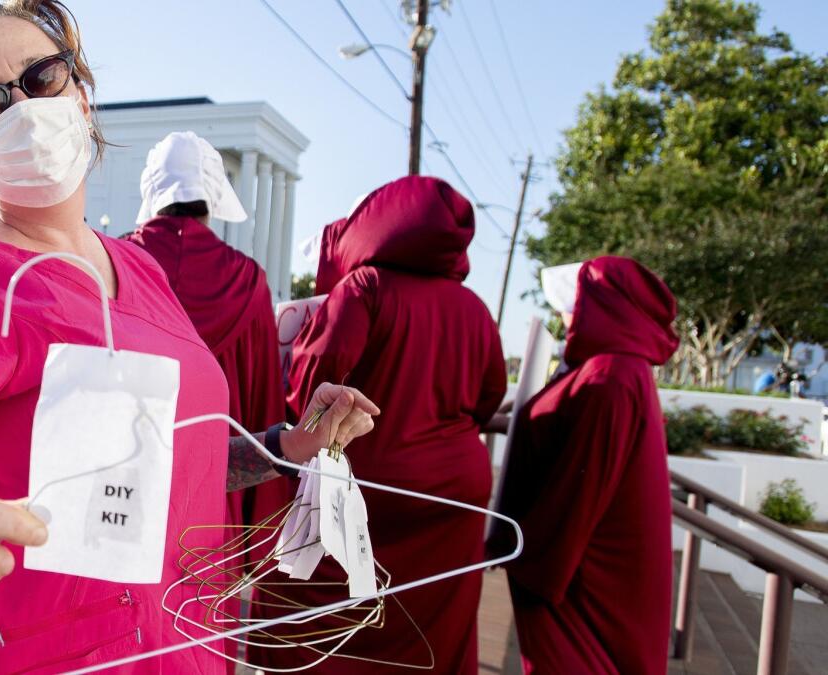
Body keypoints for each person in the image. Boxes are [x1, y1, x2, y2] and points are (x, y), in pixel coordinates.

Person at [0, 3, 379, 673]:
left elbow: (164, 459)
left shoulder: (143, 271)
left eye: (41, 78)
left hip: (178, 642)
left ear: (82, 96)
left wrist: (290, 446)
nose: (21, 108)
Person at [252, 176, 507, 673]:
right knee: (431, 623)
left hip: (373, 483)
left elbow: (314, 390)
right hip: (453, 494)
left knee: (306, 608)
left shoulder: (364, 287)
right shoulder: (474, 307)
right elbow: (488, 396)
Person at [492, 256, 679, 675]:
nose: (566, 317)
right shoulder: (616, 366)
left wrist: (531, 560)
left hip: (586, 569)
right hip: (599, 559)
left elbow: (580, 487)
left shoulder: (607, 376)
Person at [126, 131, 286, 532]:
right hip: (214, 492)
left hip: (122, 490)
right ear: (212, 198)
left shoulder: (116, 264)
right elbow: (262, 404)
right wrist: (261, 530)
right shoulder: (247, 280)